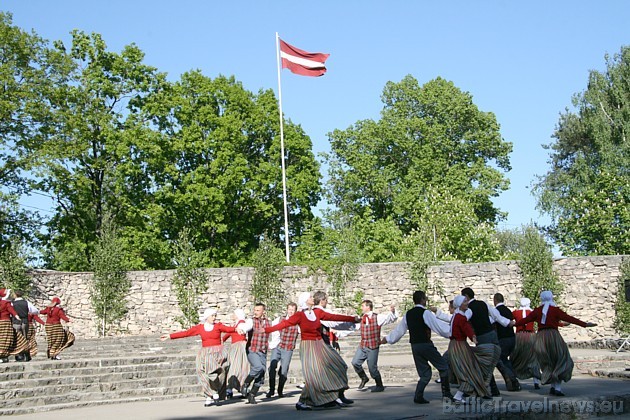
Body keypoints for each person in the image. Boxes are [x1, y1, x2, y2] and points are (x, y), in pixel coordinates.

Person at [263, 291, 360, 411]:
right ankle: (302, 401)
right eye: (310, 297)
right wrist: (266, 330)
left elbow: (334, 317)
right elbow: (284, 324)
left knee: (338, 365)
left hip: (320, 344)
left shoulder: (317, 312)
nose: (312, 298)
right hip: (308, 346)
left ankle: (334, 396)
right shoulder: (299, 315)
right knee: (314, 375)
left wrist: (352, 319)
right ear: (305, 301)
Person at [514, 291, 596, 396]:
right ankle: (557, 388)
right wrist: (584, 324)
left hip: (541, 338)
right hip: (553, 337)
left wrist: (513, 324)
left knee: (548, 362)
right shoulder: (555, 310)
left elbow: (525, 320)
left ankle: (553, 387)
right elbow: (569, 318)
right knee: (561, 359)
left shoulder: (537, 311)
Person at [380, 290, 453, 404]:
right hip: (425, 344)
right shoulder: (426, 313)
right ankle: (447, 395)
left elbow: (399, 330)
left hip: (415, 346)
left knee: (425, 373)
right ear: (423, 299)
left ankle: (418, 396)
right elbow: (437, 326)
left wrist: (387, 339)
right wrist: (451, 332)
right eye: (425, 299)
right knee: (443, 367)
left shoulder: (408, 314)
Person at [160, 308, 238, 407]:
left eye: (215, 316)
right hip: (205, 353)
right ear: (207, 317)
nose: (214, 318)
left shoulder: (218, 326)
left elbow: (228, 329)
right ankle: (210, 395)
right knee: (202, 372)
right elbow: (186, 333)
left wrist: (237, 329)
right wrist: (170, 336)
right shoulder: (200, 328)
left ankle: (214, 392)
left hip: (218, 353)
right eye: (212, 316)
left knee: (216, 374)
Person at [460, 287, 513, 395]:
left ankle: (493, 389)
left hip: (482, 336)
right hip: (492, 333)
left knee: (486, 362)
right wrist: (507, 322)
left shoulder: (469, 309)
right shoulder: (483, 303)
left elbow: (463, 320)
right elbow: (495, 315)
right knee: (497, 358)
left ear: (466, 296)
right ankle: (511, 379)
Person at [448, 295, 492, 403]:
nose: (467, 303)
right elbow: (466, 328)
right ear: (459, 304)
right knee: (468, 370)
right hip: (460, 346)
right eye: (464, 302)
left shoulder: (456, 315)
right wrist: (473, 337)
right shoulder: (460, 317)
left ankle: (463, 395)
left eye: (467, 301)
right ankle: (459, 395)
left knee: (466, 369)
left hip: (455, 345)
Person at [351, 300, 397, 392]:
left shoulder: (378, 317)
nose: (361, 308)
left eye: (363, 306)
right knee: (355, 362)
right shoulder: (361, 318)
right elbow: (352, 327)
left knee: (372, 367)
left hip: (373, 345)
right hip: (363, 345)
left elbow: (390, 319)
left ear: (368, 307)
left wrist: (392, 312)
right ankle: (364, 378)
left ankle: (379, 385)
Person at [266, 302, 299, 398]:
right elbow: (273, 329)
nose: (291, 311)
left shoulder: (298, 322)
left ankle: (280, 389)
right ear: (287, 309)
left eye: (293, 310)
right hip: (278, 346)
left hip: (288, 348)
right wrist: (272, 343)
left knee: (284, 370)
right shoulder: (280, 319)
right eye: (289, 309)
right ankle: (271, 389)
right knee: (272, 366)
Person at [240, 302, 270, 405]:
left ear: (263, 312)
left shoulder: (268, 322)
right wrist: (242, 329)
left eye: (258, 310)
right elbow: (246, 326)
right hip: (252, 349)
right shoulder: (251, 321)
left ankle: (252, 394)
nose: (255, 312)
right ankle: (246, 384)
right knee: (258, 367)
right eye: (255, 310)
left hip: (263, 351)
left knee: (261, 375)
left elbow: (274, 332)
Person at [493, 293, 521, 391]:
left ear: (495, 300)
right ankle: (513, 378)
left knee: (499, 359)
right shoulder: (508, 310)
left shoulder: (496, 311)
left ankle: (512, 378)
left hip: (502, 338)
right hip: (512, 338)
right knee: (505, 359)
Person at [511, 297, 541, 389]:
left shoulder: (516, 313)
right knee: (534, 358)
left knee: (517, 357)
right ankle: (536, 381)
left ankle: (514, 379)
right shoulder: (533, 312)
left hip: (519, 337)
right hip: (531, 337)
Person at [222, 308, 251, 399]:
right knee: (233, 367)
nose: (232, 315)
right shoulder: (234, 325)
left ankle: (240, 387)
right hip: (234, 348)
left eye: (234, 314)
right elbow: (227, 334)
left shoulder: (242, 323)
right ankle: (232, 388)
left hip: (240, 347)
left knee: (239, 367)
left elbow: (245, 329)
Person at [11, 290, 39, 362]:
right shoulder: (26, 302)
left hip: (16, 322)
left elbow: (10, 312)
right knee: (25, 337)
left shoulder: (12, 303)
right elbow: (35, 311)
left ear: (15, 295)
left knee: (18, 339)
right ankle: (27, 355)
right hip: (25, 321)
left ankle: (20, 355)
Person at [0, 288, 23, 363]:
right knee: (6, 339)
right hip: (6, 323)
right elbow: (11, 310)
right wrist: (17, 316)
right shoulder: (6, 303)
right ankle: (3, 354)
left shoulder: (3, 302)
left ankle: (3, 356)